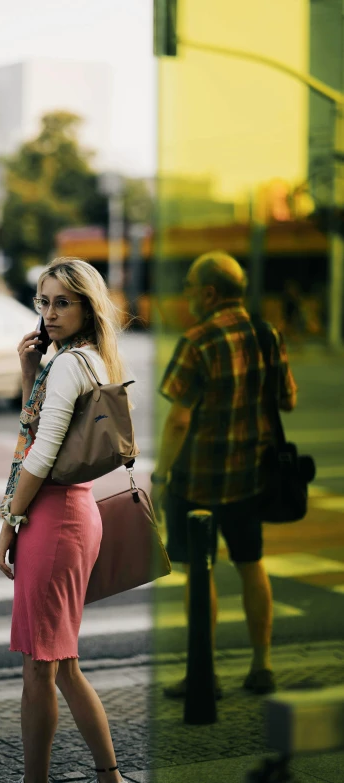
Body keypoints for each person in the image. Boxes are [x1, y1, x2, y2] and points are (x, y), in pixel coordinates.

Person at [0, 257, 127, 783]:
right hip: (72, 512)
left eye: (62, 302)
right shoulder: (85, 358)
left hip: (53, 519)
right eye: (43, 302)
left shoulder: (71, 363)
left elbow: (42, 453)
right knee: (63, 663)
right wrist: (31, 374)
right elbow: (49, 427)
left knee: (39, 669)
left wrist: (10, 520)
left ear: (86, 306)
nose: (49, 313)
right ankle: (109, 776)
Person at [151, 250, 298, 697]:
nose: (189, 296)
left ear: (209, 293)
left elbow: (178, 420)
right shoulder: (266, 334)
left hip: (197, 481)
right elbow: (287, 400)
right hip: (251, 478)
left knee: (200, 572)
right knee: (253, 565)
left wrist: (159, 478)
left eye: (192, 288)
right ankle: (262, 666)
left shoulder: (197, 341)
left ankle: (205, 675)